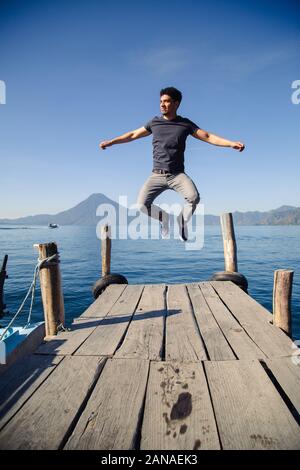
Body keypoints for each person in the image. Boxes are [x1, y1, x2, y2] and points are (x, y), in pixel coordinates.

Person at [99, 86, 245, 241]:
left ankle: (182, 221)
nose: (162, 104)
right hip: (156, 174)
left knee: (193, 198)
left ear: (176, 104)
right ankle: (164, 218)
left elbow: (208, 136)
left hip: (177, 175)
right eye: (161, 101)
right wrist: (112, 142)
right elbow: (133, 134)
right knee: (142, 205)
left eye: (167, 101)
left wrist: (230, 143)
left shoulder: (185, 124)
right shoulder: (154, 123)